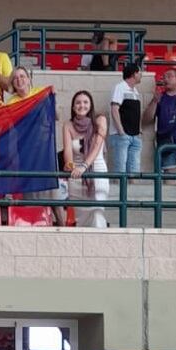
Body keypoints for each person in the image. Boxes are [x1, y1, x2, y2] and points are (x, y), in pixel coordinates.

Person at [60, 90, 109, 228]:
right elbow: (68, 153)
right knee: (81, 219)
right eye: (78, 102)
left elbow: (96, 146)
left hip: (97, 172)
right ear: (73, 106)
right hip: (76, 176)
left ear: (91, 105)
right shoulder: (68, 125)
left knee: (97, 213)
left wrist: (84, 166)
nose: (82, 105)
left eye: (85, 102)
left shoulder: (100, 120)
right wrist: (71, 166)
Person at [143, 67, 176, 173]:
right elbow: (146, 120)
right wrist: (154, 101)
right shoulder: (160, 98)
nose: (166, 79)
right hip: (166, 140)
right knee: (168, 173)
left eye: (169, 76)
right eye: (164, 77)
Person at [108, 62, 143, 175]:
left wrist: (139, 131)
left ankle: (132, 191)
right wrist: (121, 132)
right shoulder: (120, 87)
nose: (141, 74)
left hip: (134, 135)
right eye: (139, 72)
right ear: (134, 74)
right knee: (120, 169)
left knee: (134, 169)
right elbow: (114, 109)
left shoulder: (136, 91)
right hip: (122, 136)